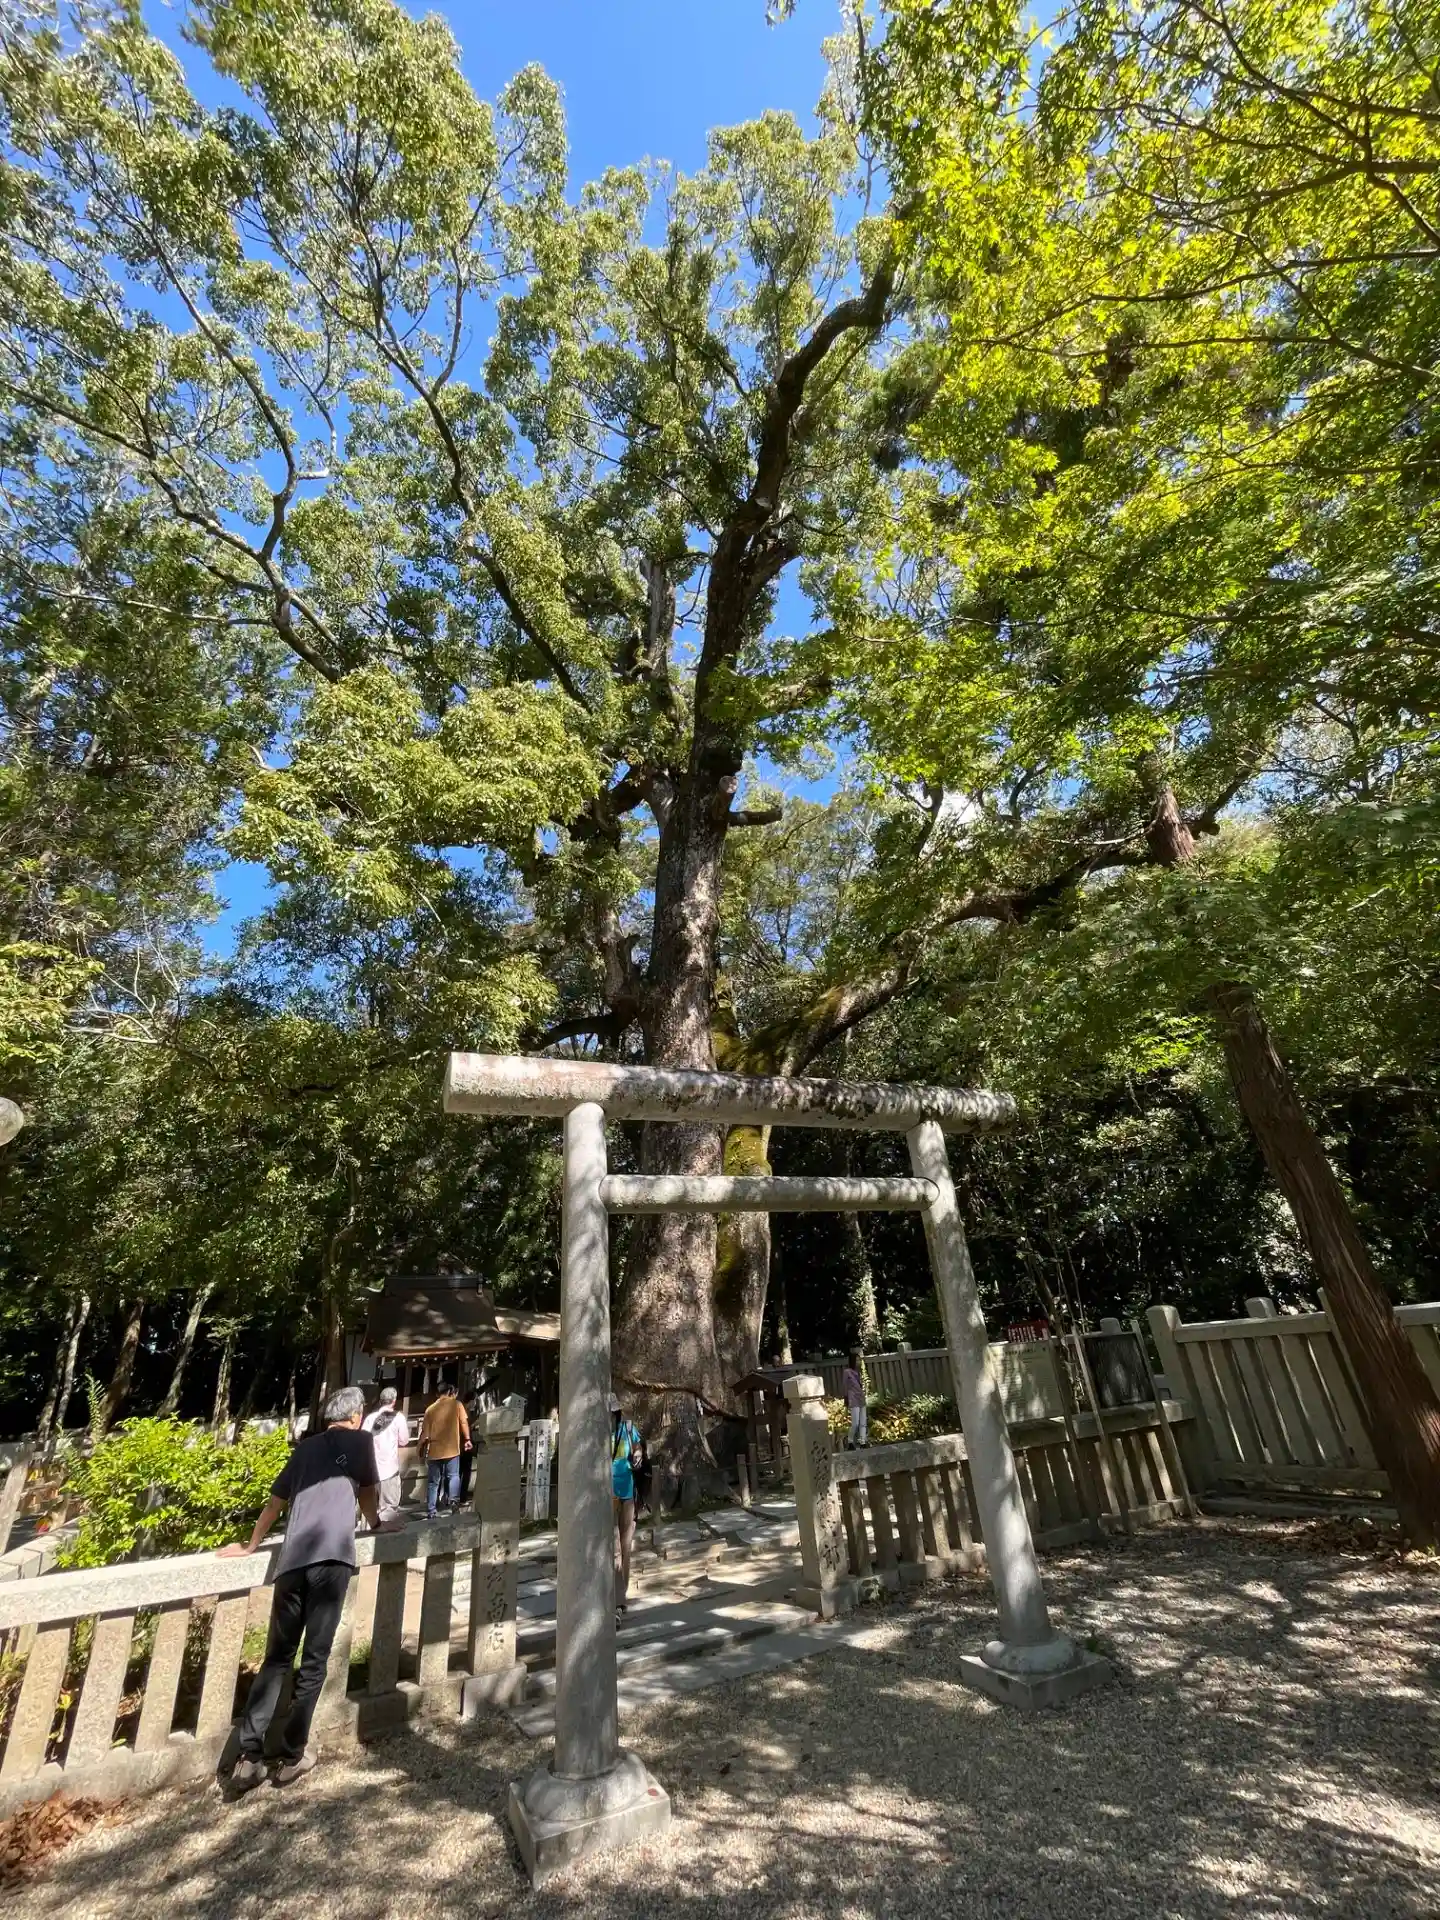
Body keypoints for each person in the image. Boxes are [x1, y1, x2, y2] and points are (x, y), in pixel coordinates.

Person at [218, 1384, 384, 1792]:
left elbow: (275, 1502)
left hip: (292, 1562)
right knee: (313, 1660)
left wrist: (251, 1545)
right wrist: (377, 1524)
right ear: (356, 1416)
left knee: (276, 1658)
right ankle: (293, 1755)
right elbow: (368, 1493)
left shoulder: (305, 1448)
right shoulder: (362, 1442)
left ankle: (249, 1756)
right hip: (332, 1560)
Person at [609, 1393, 642, 1626]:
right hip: (607, 1496)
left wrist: (638, 1454)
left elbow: (638, 1445)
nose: (611, 1416)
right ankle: (617, 1601)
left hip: (627, 1493)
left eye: (613, 1412)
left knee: (626, 1546)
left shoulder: (628, 1429)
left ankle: (623, 1593)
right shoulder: (597, 1433)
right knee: (615, 1549)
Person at [419, 1381, 470, 1518]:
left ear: (437, 1394)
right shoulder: (457, 1405)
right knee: (453, 1476)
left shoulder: (430, 1409)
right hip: (452, 1449)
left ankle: (431, 1510)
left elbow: (425, 1433)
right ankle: (454, 1504)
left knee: (433, 1482)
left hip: (434, 1451)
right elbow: (464, 1422)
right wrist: (467, 1439)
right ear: (449, 1391)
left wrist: (420, 1448)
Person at [362, 1385, 410, 1520]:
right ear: (394, 1401)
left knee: (370, 1507)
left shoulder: (370, 1418)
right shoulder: (399, 1418)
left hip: (371, 1471)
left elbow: (362, 1441)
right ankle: (385, 1531)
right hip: (389, 1470)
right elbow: (404, 1441)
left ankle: (371, 1529)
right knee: (389, 1508)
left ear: (380, 1401)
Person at [841, 1350, 868, 1449]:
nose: (859, 1362)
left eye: (859, 1360)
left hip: (861, 1398)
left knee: (863, 1423)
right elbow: (845, 1386)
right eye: (857, 1360)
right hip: (853, 1399)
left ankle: (862, 1442)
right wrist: (846, 1399)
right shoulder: (847, 1372)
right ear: (852, 1361)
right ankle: (850, 1441)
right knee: (855, 1423)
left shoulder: (858, 1373)